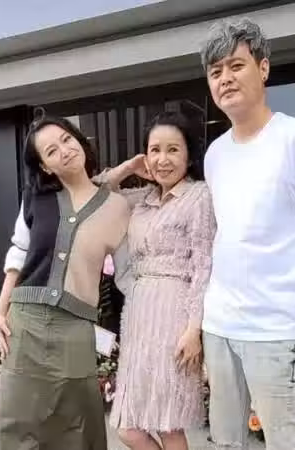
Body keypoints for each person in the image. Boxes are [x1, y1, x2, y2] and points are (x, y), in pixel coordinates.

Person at [198, 19, 295, 450]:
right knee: (225, 439)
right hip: (219, 324)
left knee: (281, 440)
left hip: (274, 329)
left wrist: (279, 284)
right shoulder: (215, 154)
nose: (225, 79)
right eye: (215, 72)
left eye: (236, 66)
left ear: (263, 68)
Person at [0, 116, 131, 450]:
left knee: (77, 424)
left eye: (67, 140)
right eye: (51, 151)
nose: (65, 151)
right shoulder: (35, 197)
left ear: (80, 140)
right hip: (25, 320)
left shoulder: (117, 207)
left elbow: (127, 274)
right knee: (18, 423)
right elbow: (19, 251)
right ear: (45, 166)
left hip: (76, 325)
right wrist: (0, 308)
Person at [97, 112, 215, 450]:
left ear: (189, 155)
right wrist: (128, 168)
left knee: (168, 423)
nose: (163, 159)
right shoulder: (141, 200)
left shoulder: (199, 196)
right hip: (138, 314)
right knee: (127, 427)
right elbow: (91, 195)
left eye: (173, 150)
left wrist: (194, 330)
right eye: (155, 150)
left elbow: (204, 265)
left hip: (175, 314)